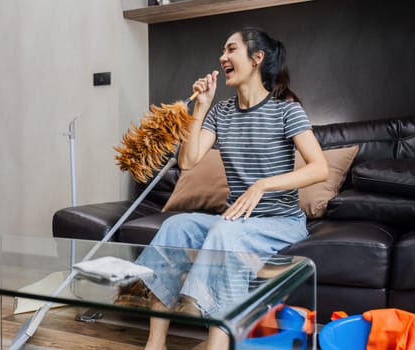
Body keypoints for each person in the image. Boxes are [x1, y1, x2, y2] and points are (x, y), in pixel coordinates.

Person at [135, 27, 328, 350]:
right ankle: (155, 343)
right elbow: (188, 161)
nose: (222, 57)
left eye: (231, 49)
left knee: (225, 234)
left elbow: (319, 168)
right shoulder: (222, 113)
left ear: (257, 58)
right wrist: (202, 107)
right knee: (175, 226)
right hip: (236, 222)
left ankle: (217, 345)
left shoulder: (286, 111)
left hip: (280, 224)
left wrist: (263, 185)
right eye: (222, 51)